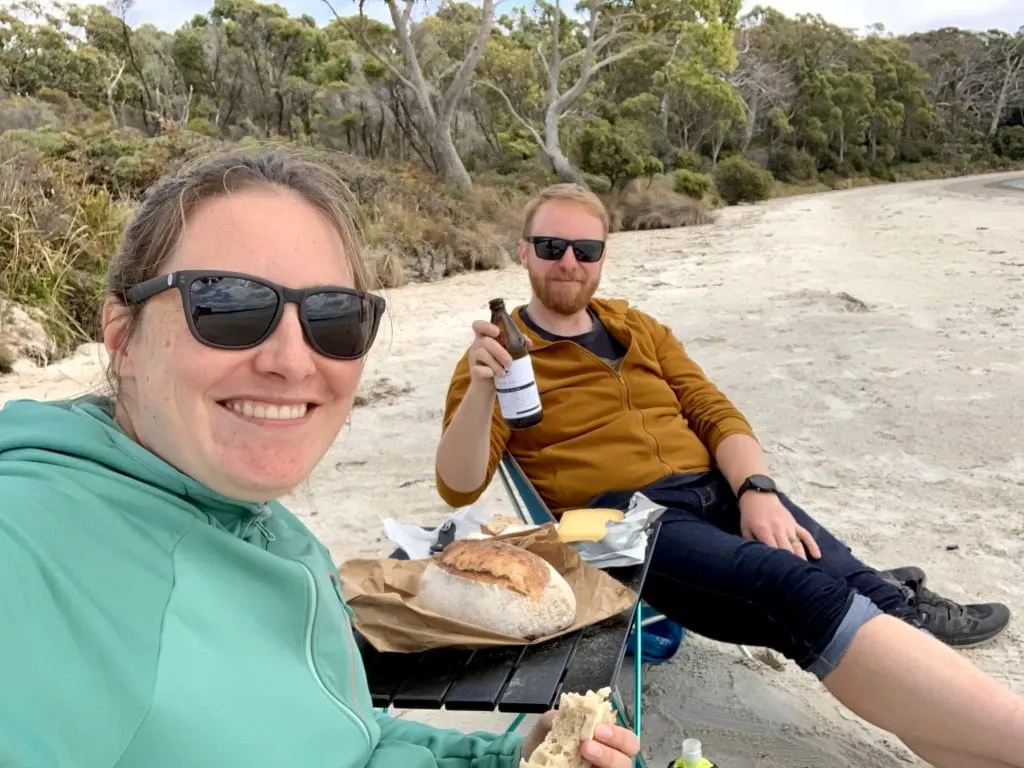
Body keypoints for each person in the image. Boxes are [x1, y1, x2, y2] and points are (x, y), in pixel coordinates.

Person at [0, 150, 641, 768]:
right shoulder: (30, 541)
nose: (292, 361)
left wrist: (508, 757)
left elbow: (340, 734)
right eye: (225, 304)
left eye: (333, 318)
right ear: (122, 338)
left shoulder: (277, 535)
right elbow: (460, 482)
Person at [434, 183, 1024, 768]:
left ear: (602, 258)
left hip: (714, 489)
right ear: (523, 251)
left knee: (863, 589)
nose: (569, 262)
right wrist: (485, 384)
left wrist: (757, 490)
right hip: (612, 518)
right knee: (797, 590)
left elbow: (715, 413)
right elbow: (458, 485)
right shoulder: (497, 355)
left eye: (586, 250)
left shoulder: (638, 327)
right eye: (552, 245)